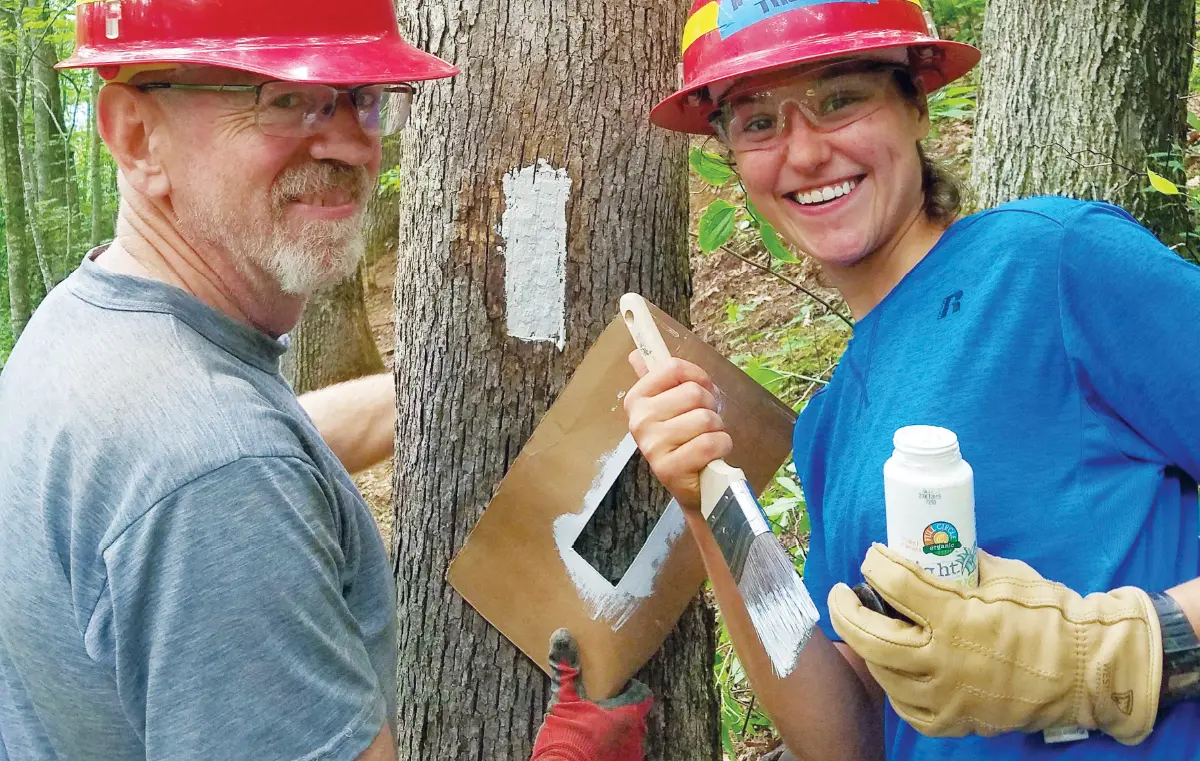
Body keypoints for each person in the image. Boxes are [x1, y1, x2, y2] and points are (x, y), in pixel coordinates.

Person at [0, 1, 648, 759]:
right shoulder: (223, 477)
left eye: (364, 98)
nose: (347, 142)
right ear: (138, 136)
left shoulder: (86, 330)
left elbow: (258, 445)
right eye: (285, 99)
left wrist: (428, 397)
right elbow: (231, 471)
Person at [625, 0, 1200, 759]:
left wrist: (1126, 651)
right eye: (758, 122)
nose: (802, 154)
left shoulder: (1053, 265)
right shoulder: (832, 423)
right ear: (732, 156)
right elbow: (850, 735)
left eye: (840, 98)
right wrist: (707, 506)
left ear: (916, 104)